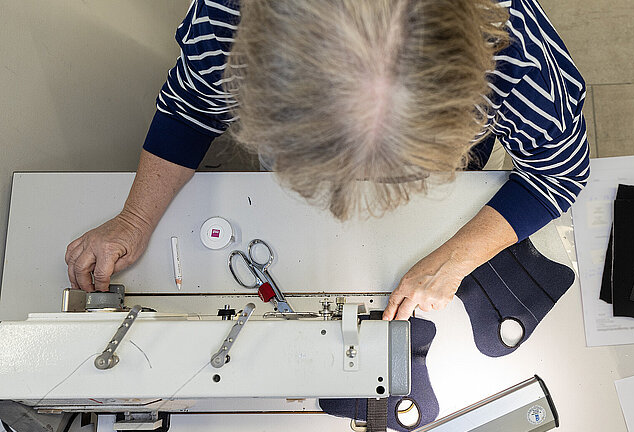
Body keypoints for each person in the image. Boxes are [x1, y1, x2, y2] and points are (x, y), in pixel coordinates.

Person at [65, 0, 589, 321]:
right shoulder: (227, 21)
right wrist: (134, 219)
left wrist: (454, 259)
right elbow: (190, 106)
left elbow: (559, 172)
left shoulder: (513, 49)